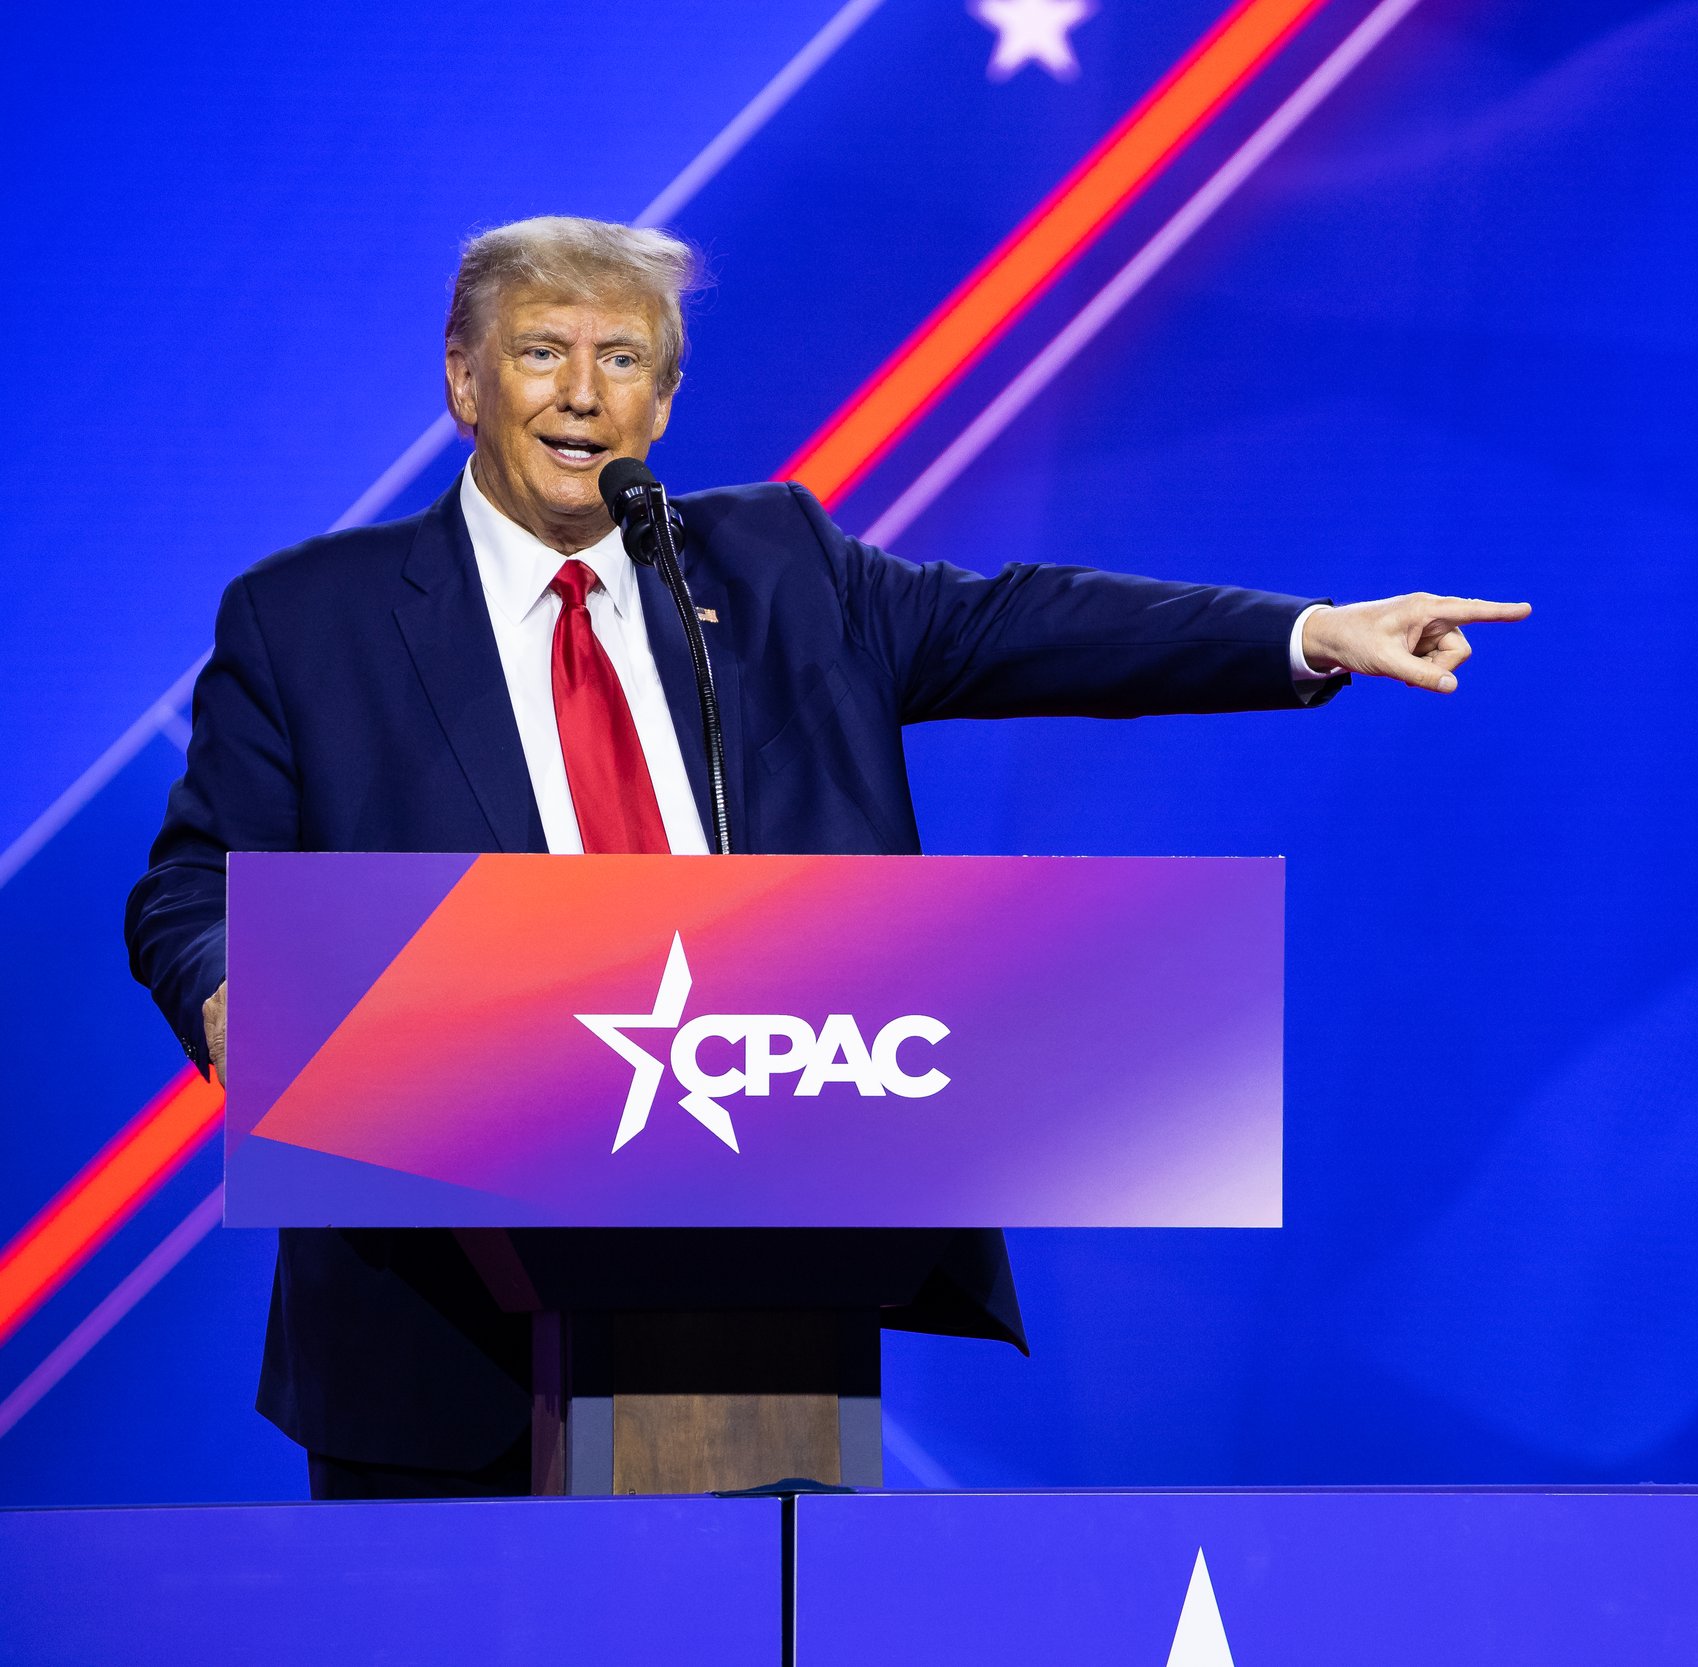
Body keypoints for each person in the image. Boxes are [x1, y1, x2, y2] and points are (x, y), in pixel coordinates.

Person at [125, 215, 1529, 1499]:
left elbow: (1025, 623)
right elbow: (190, 885)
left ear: (662, 402)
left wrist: (1305, 634)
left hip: (758, 1253)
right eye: (541, 351)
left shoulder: (770, 565)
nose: (579, 391)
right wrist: (228, 991)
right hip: (438, 1309)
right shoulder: (311, 617)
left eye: (623, 359)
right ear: (465, 378)